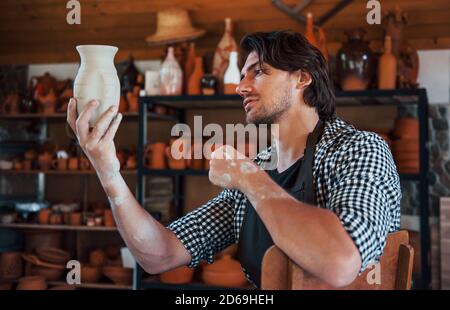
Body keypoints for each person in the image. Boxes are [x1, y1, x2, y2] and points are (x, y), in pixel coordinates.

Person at [67, 30, 401, 288]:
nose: (240, 87)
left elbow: (340, 262)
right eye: (241, 76)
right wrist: (108, 171)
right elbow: (161, 254)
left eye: (257, 72)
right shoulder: (259, 170)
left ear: (301, 77)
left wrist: (248, 177)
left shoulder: (358, 149)